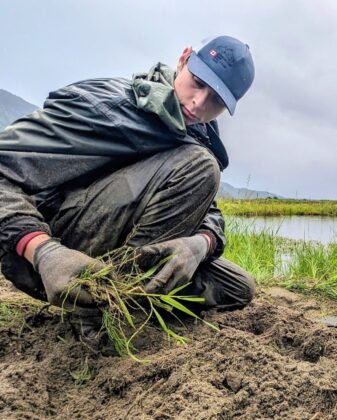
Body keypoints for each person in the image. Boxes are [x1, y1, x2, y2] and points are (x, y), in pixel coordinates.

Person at [0, 35, 257, 338]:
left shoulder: (197, 135)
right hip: (50, 254)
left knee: (238, 287)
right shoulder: (106, 107)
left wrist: (200, 244)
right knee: (200, 166)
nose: (199, 102)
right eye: (198, 83)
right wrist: (41, 250)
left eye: (216, 99)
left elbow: (209, 211)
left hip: (114, 252)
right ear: (184, 59)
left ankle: (130, 297)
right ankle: (102, 313)